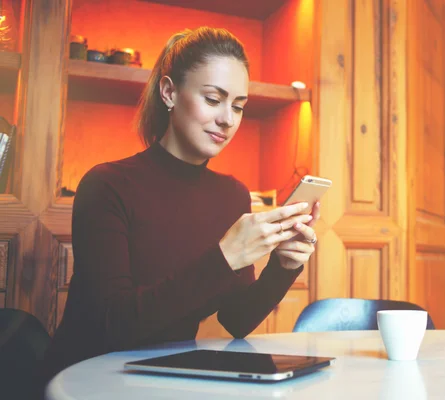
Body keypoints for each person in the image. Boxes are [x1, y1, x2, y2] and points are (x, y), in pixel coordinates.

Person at [40, 27, 319, 388]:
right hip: (86, 380)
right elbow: (114, 325)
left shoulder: (233, 194)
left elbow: (236, 318)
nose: (228, 120)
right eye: (213, 99)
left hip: (169, 378)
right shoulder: (106, 185)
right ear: (169, 92)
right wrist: (225, 256)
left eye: (238, 106)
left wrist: (283, 267)